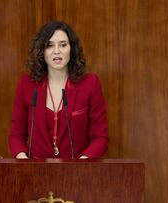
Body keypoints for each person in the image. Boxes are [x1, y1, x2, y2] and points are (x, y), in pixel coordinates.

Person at [9, 20, 108, 159]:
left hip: (78, 173)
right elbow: (16, 136)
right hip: (35, 173)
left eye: (63, 45)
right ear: (41, 51)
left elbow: (100, 138)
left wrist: (81, 165)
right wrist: (24, 163)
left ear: (71, 48)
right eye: (49, 45)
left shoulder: (90, 84)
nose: (57, 51)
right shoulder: (27, 84)